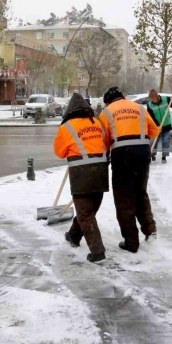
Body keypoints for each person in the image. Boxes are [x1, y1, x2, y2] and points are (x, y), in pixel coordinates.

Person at [98, 86, 159, 254]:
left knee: (124, 198)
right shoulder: (140, 108)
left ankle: (131, 241)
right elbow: (154, 131)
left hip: (122, 155)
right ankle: (150, 230)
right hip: (142, 153)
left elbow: (103, 140)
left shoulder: (106, 112)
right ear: (123, 97)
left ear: (108, 101)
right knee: (140, 193)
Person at [53, 93, 109, 263]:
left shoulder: (67, 127)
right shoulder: (98, 122)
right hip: (100, 172)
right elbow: (106, 145)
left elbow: (59, 152)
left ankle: (98, 252)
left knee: (85, 213)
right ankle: (73, 236)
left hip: (81, 174)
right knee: (89, 210)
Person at [146, 89, 172, 164]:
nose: (152, 100)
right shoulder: (149, 105)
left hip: (166, 125)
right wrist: (157, 125)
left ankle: (164, 156)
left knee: (166, 141)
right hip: (156, 127)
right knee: (154, 142)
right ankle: (152, 155)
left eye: (153, 98)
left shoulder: (165, 99)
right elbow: (150, 116)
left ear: (157, 96)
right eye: (151, 98)